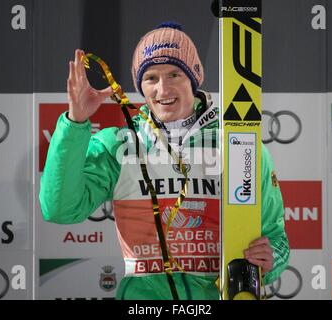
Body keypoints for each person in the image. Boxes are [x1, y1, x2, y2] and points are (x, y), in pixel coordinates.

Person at [39, 22, 289, 300]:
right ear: (140, 86)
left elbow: (275, 238)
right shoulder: (121, 143)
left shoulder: (238, 145)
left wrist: (271, 260)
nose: (163, 88)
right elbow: (60, 209)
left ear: (194, 79)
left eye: (174, 74)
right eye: (151, 78)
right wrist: (76, 122)